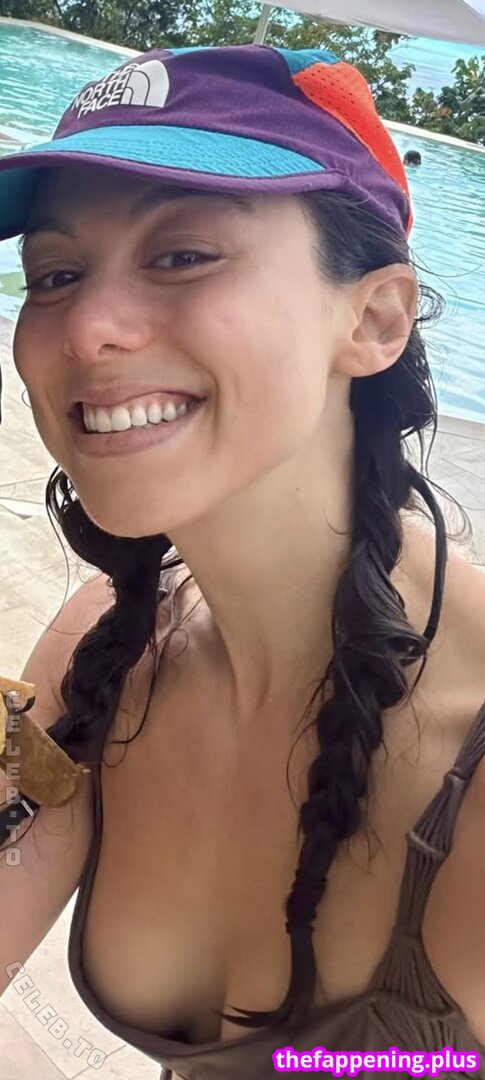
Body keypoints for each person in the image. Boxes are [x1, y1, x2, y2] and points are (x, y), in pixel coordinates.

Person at [0, 44, 485, 1080]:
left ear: (374, 319)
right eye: (55, 275)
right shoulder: (107, 645)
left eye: (182, 255)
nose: (86, 329)